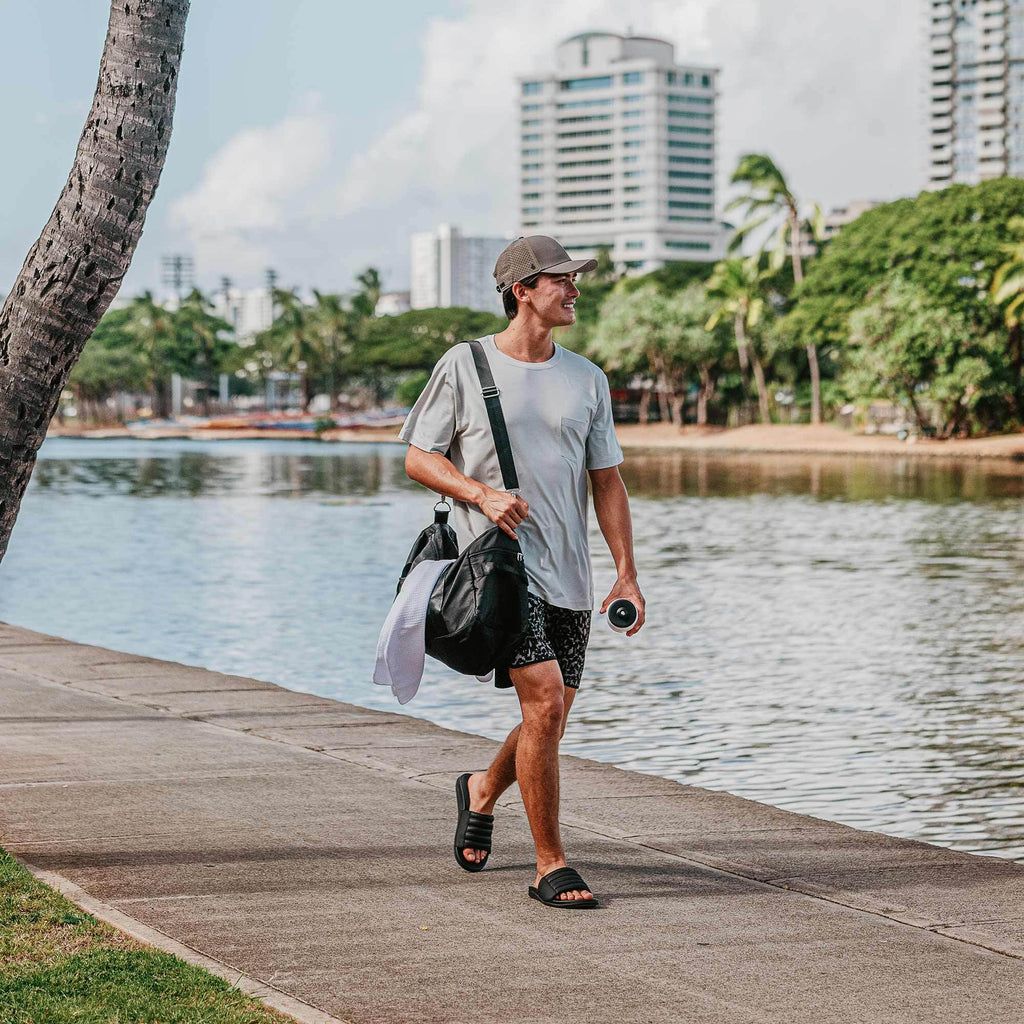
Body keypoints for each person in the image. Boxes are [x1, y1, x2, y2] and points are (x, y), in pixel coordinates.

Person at [399, 235, 645, 909]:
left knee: (553, 713)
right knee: (541, 699)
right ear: (524, 290)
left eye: (574, 279)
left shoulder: (587, 378)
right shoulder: (467, 364)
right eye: (562, 279)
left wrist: (625, 573)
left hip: (570, 572)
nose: (574, 290)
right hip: (501, 571)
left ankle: (481, 789)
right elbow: (420, 457)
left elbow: (608, 482)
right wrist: (480, 495)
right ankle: (549, 864)